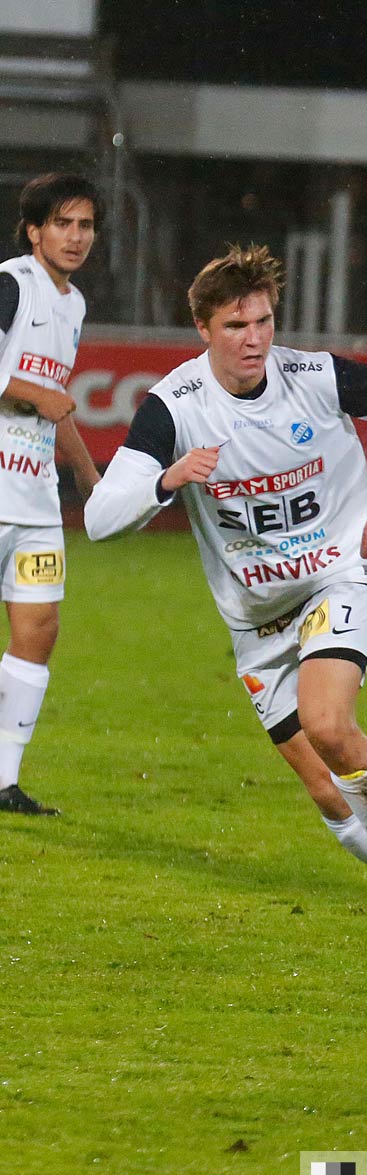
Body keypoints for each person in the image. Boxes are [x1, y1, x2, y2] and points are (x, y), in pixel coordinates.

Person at [85, 244, 367, 954]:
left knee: (328, 723)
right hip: (257, 624)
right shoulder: (174, 408)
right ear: (202, 328)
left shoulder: (312, 375)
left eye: (262, 320)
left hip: (338, 575)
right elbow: (99, 518)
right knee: (327, 792)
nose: (255, 338)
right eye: (236, 326)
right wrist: (167, 481)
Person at [0, 173, 103, 816]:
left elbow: (58, 401)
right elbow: (42, 392)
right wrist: (37, 395)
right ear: (35, 230)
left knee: (39, 631)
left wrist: (90, 479)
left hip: (35, 500)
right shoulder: (10, 284)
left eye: (86, 225)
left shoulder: (75, 305)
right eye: (62, 224)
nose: (75, 236)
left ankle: (2, 780)